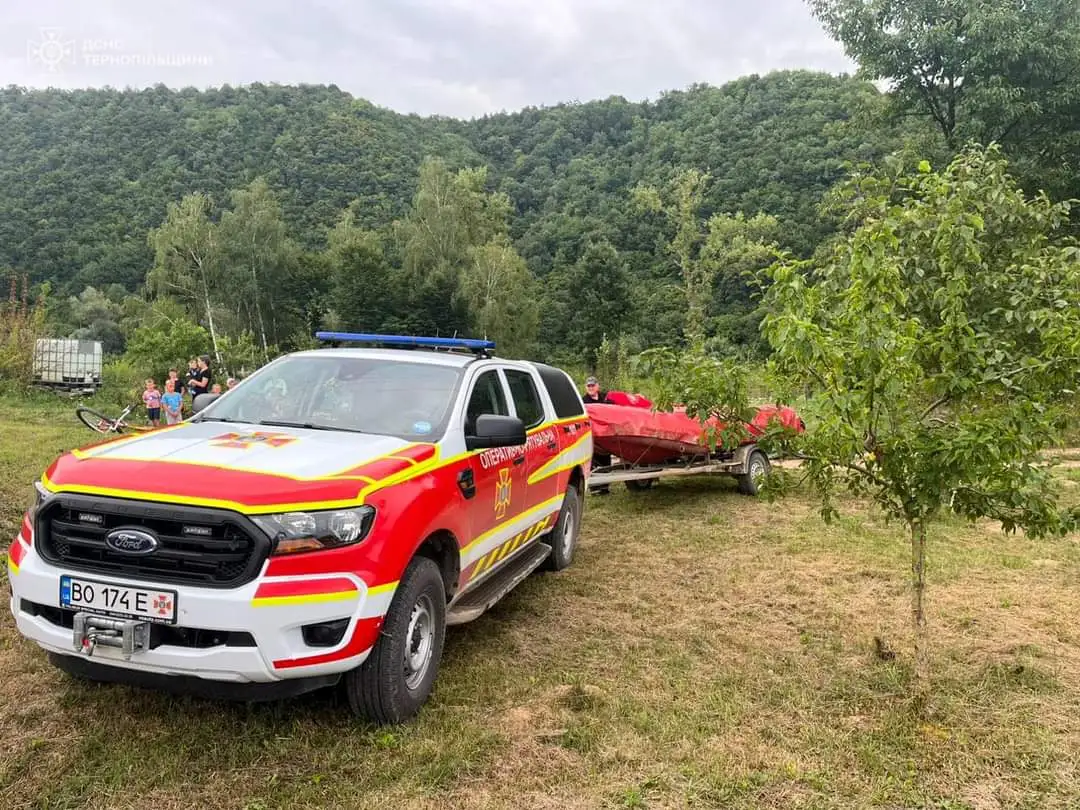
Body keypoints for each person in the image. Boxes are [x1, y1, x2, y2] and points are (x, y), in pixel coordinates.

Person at [581, 376, 611, 494]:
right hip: (593, 436)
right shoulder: (583, 401)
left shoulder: (605, 398)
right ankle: (595, 488)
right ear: (586, 387)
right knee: (594, 460)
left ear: (597, 386)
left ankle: (605, 487)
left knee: (606, 460)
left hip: (606, 435)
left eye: (593, 385)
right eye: (589, 386)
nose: (591, 388)